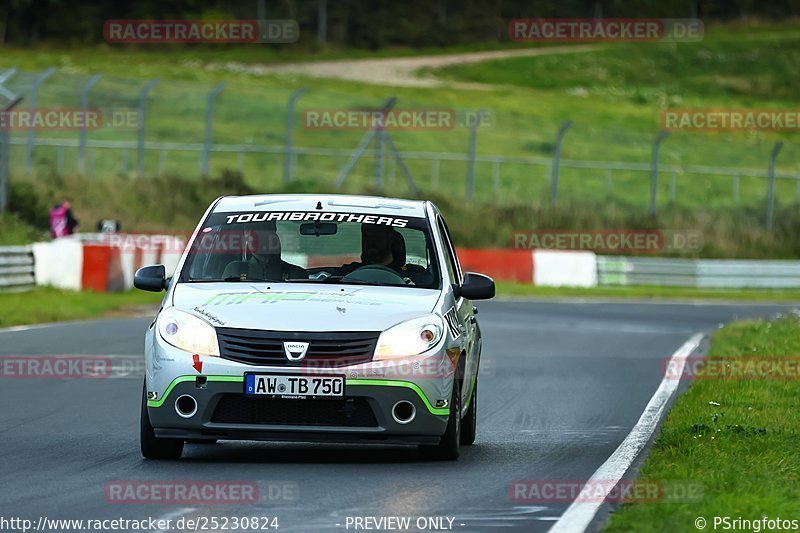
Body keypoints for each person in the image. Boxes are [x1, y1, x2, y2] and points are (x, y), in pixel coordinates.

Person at [221, 225, 306, 281]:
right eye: (247, 230)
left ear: (273, 237)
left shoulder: (296, 274)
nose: (250, 235)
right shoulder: (235, 270)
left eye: (256, 229)